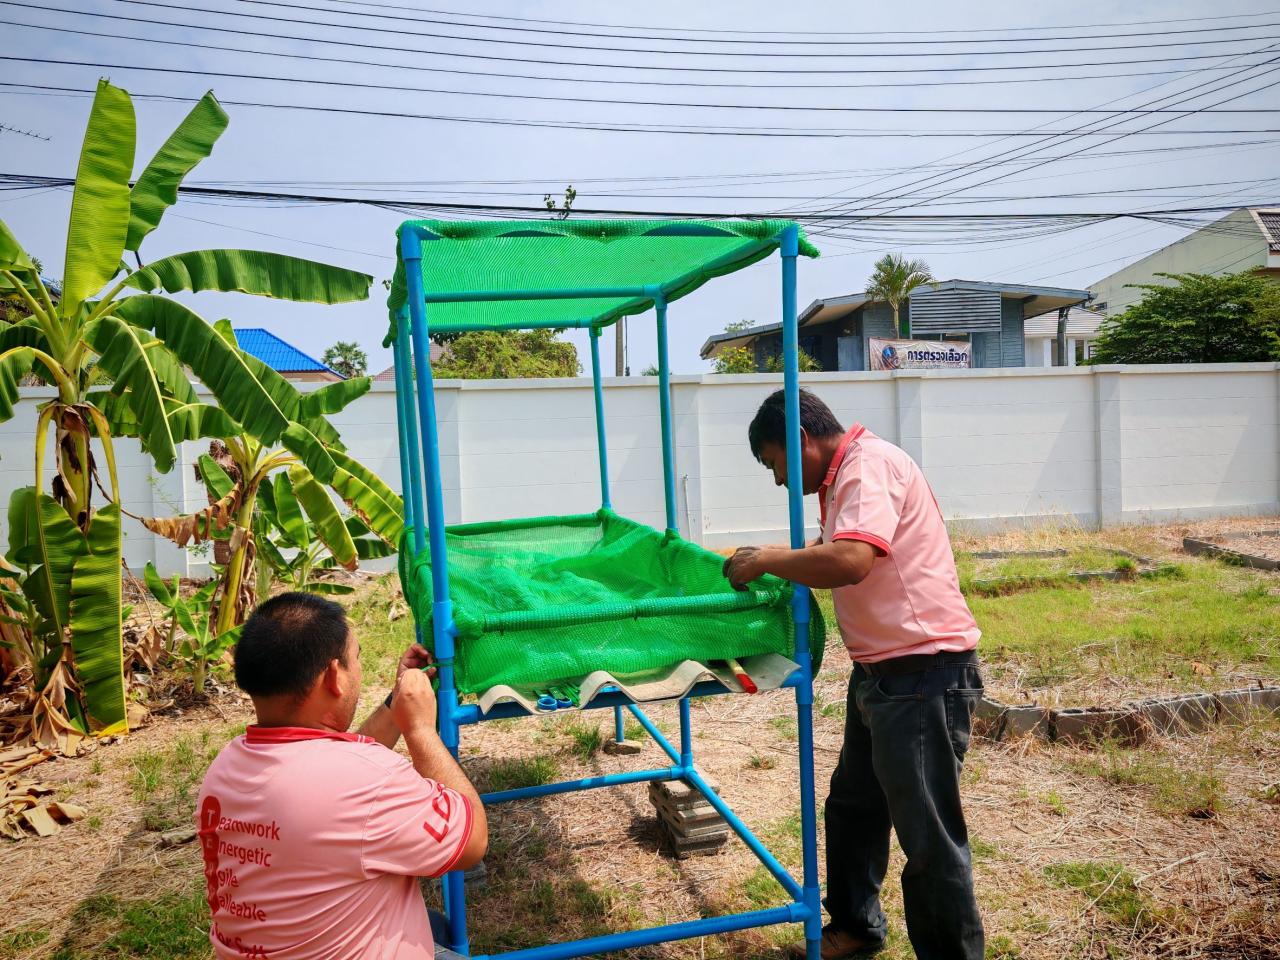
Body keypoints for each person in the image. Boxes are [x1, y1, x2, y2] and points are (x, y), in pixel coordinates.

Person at [723, 389, 984, 960]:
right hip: (882, 673)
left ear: (800, 441)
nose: (778, 481)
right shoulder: (843, 479)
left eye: (775, 464)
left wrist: (767, 557)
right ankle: (858, 928)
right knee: (853, 808)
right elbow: (830, 550)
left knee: (928, 836)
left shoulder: (870, 466)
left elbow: (850, 560)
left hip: (923, 673)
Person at [197, 592, 487, 959]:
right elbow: (473, 841)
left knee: (433, 924)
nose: (358, 669)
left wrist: (393, 704)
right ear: (334, 675)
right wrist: (421, 731)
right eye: (356, 658)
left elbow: (340, 771)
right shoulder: (366, 781)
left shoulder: (225, 767)